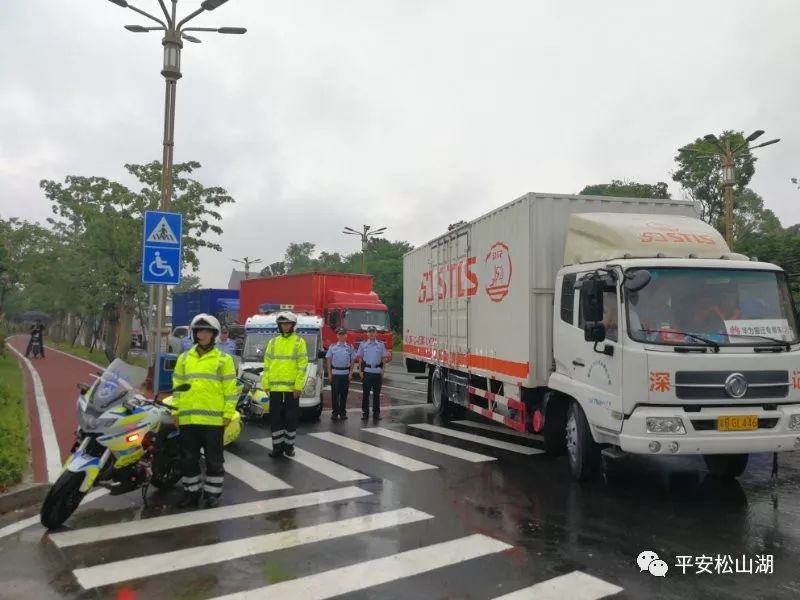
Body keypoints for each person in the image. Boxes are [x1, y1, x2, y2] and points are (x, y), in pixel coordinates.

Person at [172, 313, 238, 509]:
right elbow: (177, 387)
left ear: (214, 334)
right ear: (194, 333)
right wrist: (176, 412)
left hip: (213, 421)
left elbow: (230, 389)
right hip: (188, 418)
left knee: (213, 461)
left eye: (207, 331)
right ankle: (191, 493)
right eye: (200, 331)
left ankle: (212, 495)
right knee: (188, 459)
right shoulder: (184, 358)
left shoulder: (223, 359)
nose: (203, 334)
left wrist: (228, 413)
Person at [262, 311, 308, 458]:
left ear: (292, 325)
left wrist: (298, 387)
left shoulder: (299, 342)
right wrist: (266, 383)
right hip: (275, 388)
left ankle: (289, 447)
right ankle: (277, 447)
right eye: (282, 324)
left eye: (287, 324)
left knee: (291, 418)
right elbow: (267, 364)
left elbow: (302, 366)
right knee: (275, 419)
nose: (285, 326)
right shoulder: (273, 342)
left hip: (291, 389)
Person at [357, 326, 388, 421]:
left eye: (373, 332)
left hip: (377, 372)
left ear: (376, 333)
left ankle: (376, 413)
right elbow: (360, 359)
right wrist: (360, 371)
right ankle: (365, 413)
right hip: (366, 372)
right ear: (367, 333)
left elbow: (384, 359)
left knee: (376, 394)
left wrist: (383, 371)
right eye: (369, 332)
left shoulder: (381, 345)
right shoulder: (363, 344)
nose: (371, 334)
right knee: (365, 394)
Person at [326, 328, 355, 421]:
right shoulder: (332, 346)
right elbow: (328, 360)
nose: (342, 336)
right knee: (335, 395)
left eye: (343, 334)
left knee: (344, 395)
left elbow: (352, 360)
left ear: (346, 335)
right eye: (340, 334)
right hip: (335, 374)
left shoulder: (350, 347)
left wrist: (351, 373)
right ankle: (335, 413)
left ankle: (342, 413)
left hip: (345, 374)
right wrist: (329, 373)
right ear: (337, 336)